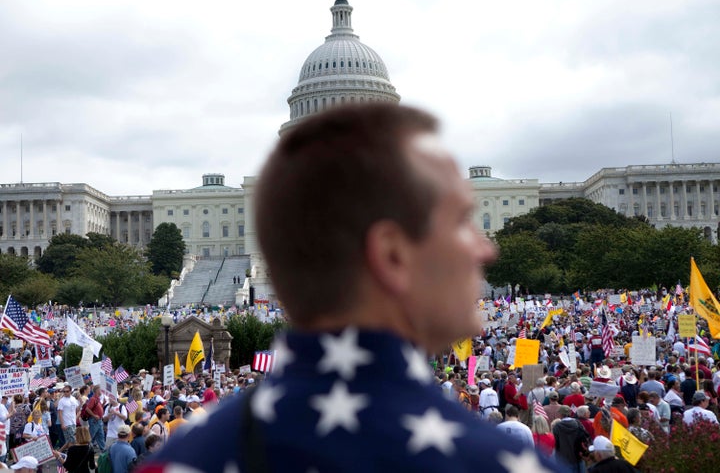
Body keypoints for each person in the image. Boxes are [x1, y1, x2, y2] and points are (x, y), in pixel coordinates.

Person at [138, 104, 562, 472]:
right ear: (392, 255)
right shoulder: (496, 464)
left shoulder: (179, 460)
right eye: (459, 222)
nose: (485, 248)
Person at [553, 405, 590, 473]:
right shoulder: (578, 423)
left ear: (560, 414)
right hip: (578, 457)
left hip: (564, 459)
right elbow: (585, 437)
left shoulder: (557, 427)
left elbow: (556, 444)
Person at [57, 385, 79, 450]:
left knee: (69, 441)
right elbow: (60, 413)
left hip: (73, 422)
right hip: (66, 423)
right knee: (73, 439)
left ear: (70, 391)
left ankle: (60, 452)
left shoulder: (73, 399)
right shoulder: (62, 401)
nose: (65, 393)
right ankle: (71, 452)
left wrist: (76, 418)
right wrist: (62, 424)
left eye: (67, 391)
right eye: (64, 391)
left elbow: (78, 409)